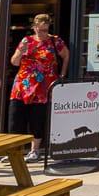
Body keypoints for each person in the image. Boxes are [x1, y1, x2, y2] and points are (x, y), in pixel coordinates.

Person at [8, 13, 69, 160]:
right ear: (34, 27)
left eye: (45, 30)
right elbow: (14, 62)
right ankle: (14, 152)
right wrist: (19, 53)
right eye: (40, 30)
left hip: (43, 86)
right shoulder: (26, 41)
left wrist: (62, 74)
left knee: (37, 119)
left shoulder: (55, 41)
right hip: (23, 85)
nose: (43, 33)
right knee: (15, 119)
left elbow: (66, 55)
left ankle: (34, 150)